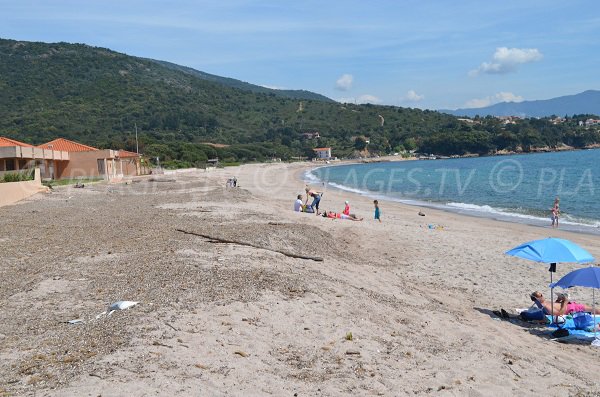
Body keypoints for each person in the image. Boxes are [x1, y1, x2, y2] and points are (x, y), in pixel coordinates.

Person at [530, 291, 600, 315]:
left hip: (568, 305)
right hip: (572, 308)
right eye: (541, 295)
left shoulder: (544, 304)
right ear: (538, 299)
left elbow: (555, 307)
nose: (543, 295)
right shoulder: (546, 306)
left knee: (593, 310)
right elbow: (560, 313)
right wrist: (565, 302)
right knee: (593, 309)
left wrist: (558, 300)